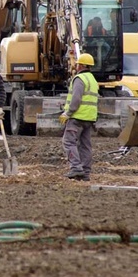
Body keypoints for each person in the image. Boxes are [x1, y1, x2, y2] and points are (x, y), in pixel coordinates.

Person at [59, 53, 99, 181]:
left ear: (81, 65)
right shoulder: (92, 80)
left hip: (77, 118)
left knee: (68, 142)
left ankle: (76, 167)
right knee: (85, 145)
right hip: (89, 118)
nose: (75, 66)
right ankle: (85, 172)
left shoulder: (79, 79)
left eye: (77, 64)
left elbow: (76, 99)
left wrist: (68, 113)